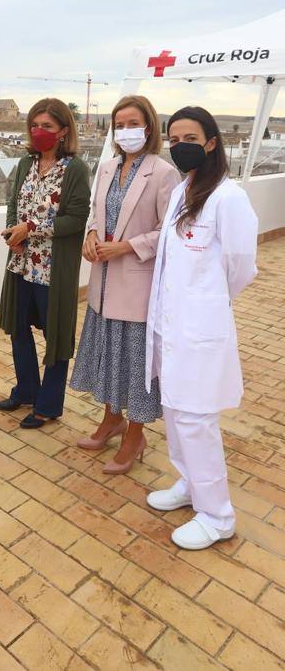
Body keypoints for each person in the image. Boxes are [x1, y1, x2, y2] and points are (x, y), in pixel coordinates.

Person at [146, 106, 258, 550]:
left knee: (196, 421)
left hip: (198, 328)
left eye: (189, 137)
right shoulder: (183, 190)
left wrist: (206, 303)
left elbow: (240, 267)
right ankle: (189, 483)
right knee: (175, 411)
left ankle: (217, 515)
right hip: (171, 325)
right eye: (173, 138)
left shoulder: (229, 198)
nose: (179, 145)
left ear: (211, 142)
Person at [70, 96, 180, 473]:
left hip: (136, 284)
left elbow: (170, 231)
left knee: (134, 364)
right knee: (108, 356)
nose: (125, 130)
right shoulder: (105, 167)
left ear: (149, 126)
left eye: (133, 122)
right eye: (119, 124)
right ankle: (111, 419)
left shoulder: (163, 172)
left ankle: (136, 434)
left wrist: (129, 246)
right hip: (102, 282)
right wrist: (90, 235)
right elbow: (96, 214)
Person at [0, 98, 90, 428]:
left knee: (56, 337)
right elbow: (13, 203)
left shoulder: (75, 169)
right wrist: (14, 231)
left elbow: (77, 218)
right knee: (18, 329)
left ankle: (48, 405)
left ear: (64, 131)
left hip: (53, 268)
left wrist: (32, 229)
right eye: (34, 125)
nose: (39, 132)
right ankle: (26, 390)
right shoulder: (26, 163)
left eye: (47, 126)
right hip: (22, 263)